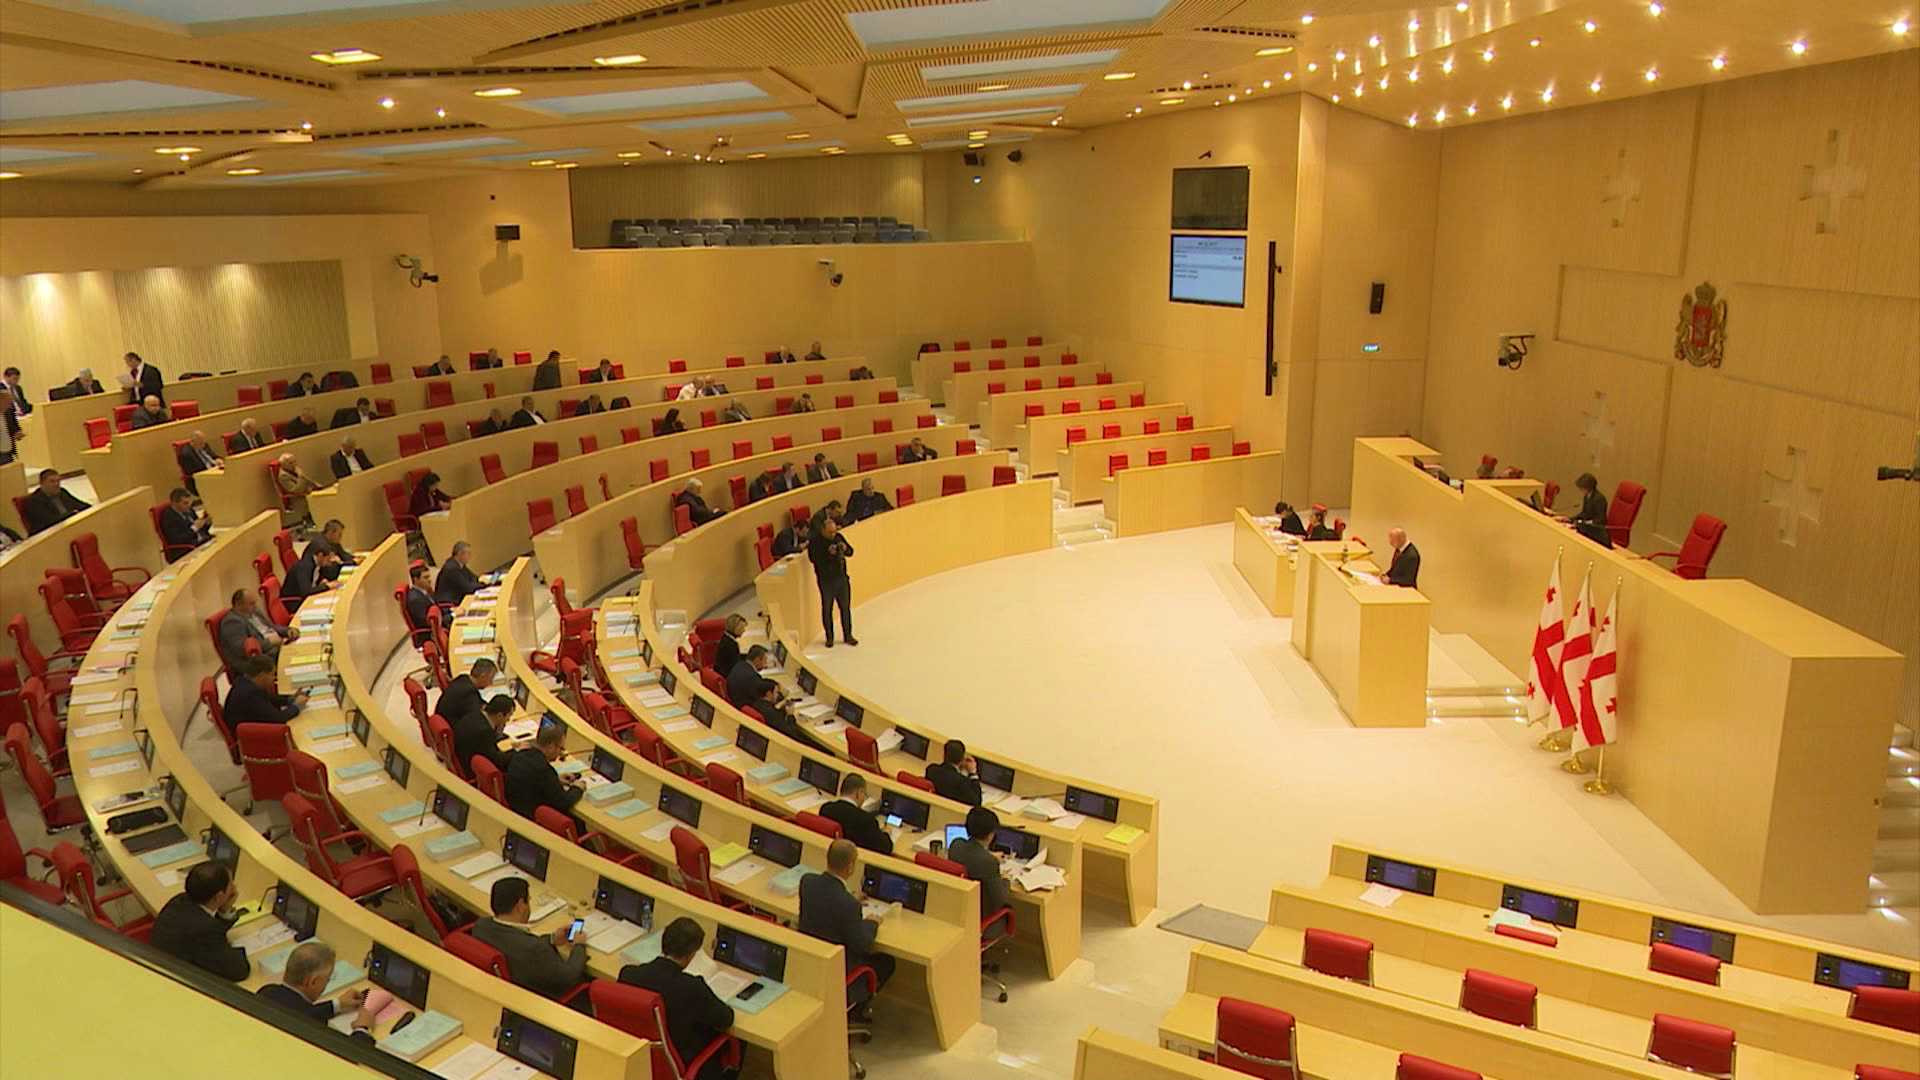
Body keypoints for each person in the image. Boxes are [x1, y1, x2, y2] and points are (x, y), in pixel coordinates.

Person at [618, 918, 737, 1078]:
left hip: (637, 1057)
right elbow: (726, 1019)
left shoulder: (628, 974)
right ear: (691, 955)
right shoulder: (692, 987)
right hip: (679, 1061)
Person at [798, 840, 896, 1014]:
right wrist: (872, 922)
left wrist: (849, 898)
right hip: (838, 970)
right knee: (887, 962)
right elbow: (863, 945)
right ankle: (856, 1010)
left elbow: (828, 901)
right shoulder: (849, 905)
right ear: (850, 867)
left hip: (811, 961)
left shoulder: (807, 882)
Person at [257, 941, 376, 1041]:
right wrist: (362, 1029)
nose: (327, 982)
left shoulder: (266, 991)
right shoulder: (311, 1025)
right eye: (327, 979)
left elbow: (308, 1011)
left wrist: (337, 1004)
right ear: (312, 982)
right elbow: (349, 1054)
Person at [150, 861, 248, 981]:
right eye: (231, 885)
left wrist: (224, 910)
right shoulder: (204, 931)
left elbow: (211, 927)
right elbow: (238, 970)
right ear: (218, 896)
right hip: (174, 982)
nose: (234, 888)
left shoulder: (179, 900)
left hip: (159, 965)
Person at [728, 646, 826, 752]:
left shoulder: (742, 667)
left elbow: (760, 682)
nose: (777, 696)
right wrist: (790, 715)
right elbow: (791, 734)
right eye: (776, 693)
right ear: (768, 694)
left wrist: (779, 705)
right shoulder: (769, 711)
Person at [504, 721, 585, 825]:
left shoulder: (521, 755)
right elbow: (563, 802)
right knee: (579, 822)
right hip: (532, 819)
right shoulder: (543, 769)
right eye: (560, 748)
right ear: (551, 746)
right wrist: (578, 788)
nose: (561, 753)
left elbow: (536, 781)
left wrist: (556, 779)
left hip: (516, 809)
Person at [949, 807, 1013, 938]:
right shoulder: (989, 862)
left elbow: (972, 855)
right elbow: (1001, 901)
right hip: (981, 920)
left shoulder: (956, 845)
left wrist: (988, 855)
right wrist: (1006, 880)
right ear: (990, 835)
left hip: (957, 911)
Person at [809, 514, 856, 647]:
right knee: (827, 609)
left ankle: (848, 635)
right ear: (823, 530)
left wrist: (845, 549)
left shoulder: (838, 537)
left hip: (841, 578)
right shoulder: (815, 542)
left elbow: (851, 552)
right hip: (826, 581)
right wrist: (828, 554)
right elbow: (814, 559)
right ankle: (829, 637)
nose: (832, 535)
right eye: (830, 532)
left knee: (845, 608)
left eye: (834, 531)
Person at [220, 588, 298, 666]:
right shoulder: (232, 622)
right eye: (251, 604)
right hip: (262, 659)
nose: (255, 606)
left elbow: (271, 627)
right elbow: (244, 649)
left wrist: (287, 631)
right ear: (239, 605)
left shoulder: (255, 611)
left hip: (277, 646)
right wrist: (270, 642)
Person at [821, 774, 893, 856]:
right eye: (864, 794)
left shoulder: (826, 809)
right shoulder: (865, 820)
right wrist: (886, 833)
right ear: (859, 793)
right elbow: (886, 848)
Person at [224, 656, 306, 725]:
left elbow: (268, 698)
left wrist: (290, 698)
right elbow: (278, 718)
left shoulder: (244, 682)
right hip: (255, 734)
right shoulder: (250, 695)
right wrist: (296, 706)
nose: (274, 678)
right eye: (272, 674)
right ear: (262, 675)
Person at [457, 693, 516, 776]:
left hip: (463, 756)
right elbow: (497, 761)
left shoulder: (476, 714)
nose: (508, 720)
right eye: (509, 716)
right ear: (499, 715)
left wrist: (497, 733)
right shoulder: (484, 732)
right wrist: (517, 751)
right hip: (470, 769)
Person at [439, 656, 497, 738]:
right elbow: (477, 719)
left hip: (446, 722)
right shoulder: (469, 694)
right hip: (454, 733)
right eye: (491, 678)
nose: (491, 683)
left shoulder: (463, 678)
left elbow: (479, 702)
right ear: (483, 676)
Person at [22, 468, 89, 534]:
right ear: (42, 483)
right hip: (48, 534)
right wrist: (72, 514)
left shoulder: (62, 492)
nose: (56, 484)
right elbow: (49, 521)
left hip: (69, 527)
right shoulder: (34, 501)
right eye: (52, 481)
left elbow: (80, 504)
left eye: (58, 481)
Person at [925, 739, 982, 806]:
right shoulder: (962, 781)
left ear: (944, 754)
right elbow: (977, 802)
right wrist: (973, 773)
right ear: (962, 759)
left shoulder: (931, 770)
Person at [158, 487, 212, 556]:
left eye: (189, 502)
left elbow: (200, 529)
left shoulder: (188, 510)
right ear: (174, 503)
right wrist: (194, 528)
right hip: (186, 549)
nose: (189, 505)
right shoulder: (169, 518)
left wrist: (206, 523)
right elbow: (177, 540)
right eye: (185, 503)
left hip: (201, 542)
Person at [282, 544, 341, 609]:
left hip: (304, 598)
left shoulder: (316, 562)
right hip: (294, 602)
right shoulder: (304, 566)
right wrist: (327, 586)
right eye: (328, 559)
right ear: (320, 555)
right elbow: (306, 592)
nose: (329, 562)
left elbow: (316, 580)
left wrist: (322, 581)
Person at [275, 453, 321, 526]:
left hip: (307, 492)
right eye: (291, 463)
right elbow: (295, 490)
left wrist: (316, 485)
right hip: (297, 498)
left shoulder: (295, 469)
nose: (294, 464)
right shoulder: (283, 476)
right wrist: (300, 477)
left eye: (295, 461)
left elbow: (306, 478)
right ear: (283, 465)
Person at [435, 540, 486, 606]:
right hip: (450, 603)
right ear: (460, 554)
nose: (470, 556)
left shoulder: (460, 565)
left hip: (458, 597)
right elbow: (467, 588)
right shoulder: (452, 568)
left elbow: (474, 577)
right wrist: (484, 585)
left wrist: (481, 583)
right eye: (468, 553)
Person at [1567, 472, 1611, 547]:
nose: (1581, 490)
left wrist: (1584, 523)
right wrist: (1570, 519)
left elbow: (1600, 520)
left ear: (1588, 487)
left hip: (1597, 532)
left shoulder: (1599, 499)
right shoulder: (1587, 496)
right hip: (1588, 529)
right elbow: (1584, 513)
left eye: (1582, 488)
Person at [402, 561, 437, 632]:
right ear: (416, 579)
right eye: (426, 577)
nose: (429, 580)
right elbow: (427, 622)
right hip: (431, 632)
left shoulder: (424, 591)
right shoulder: (415, 600)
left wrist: (452, 611)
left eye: (429, 577)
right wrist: (452, 615)